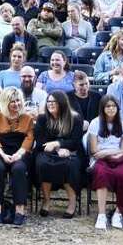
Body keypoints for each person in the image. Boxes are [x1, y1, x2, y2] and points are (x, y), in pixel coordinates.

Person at [0, 87, 34, 226]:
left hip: (20, 152)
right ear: (5, 103)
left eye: (18, 100)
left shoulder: (27, 118)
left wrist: (19, 154)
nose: (16, 104)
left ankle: (20, 209)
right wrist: (2, 154)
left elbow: (29, 138)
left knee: (18, 169)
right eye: (12, 102)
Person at [88, 94, 123, 229]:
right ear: (103, 108)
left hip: (119, 159)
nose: (111, 109)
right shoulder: (95, 123)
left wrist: (107, 151)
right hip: (102, 160)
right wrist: (110, 152)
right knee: (101, 173)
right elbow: (94, 150)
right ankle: (102, 214)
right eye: (108, 106)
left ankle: (118, 212)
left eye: (113, 106)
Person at [32, 90, 83, 218]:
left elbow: (75, 141)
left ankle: (72, 203)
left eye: (54, 101)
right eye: (49, 101)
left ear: (62, 103)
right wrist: (57, 147)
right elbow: (40, 141)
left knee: (69, 165)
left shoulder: (75, 118)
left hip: (70, 152)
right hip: (46, 152)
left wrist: (59, 144)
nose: (51, 104)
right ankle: (46, 201)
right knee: (42, 164)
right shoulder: (42, 119)